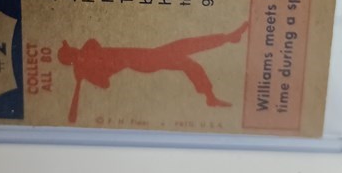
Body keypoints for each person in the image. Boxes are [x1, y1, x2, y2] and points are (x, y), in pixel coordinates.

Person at [58, 22, 249, 122]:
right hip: (143, 62)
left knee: (189, 64)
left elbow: (92, 43)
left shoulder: (87, 51)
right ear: (70, 56)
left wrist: (82, 67)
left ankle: (210, 96)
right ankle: (228, 38)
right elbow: (105, 83)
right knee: (185, 46)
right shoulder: (86, 70)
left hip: (143, 55)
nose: (73, 47)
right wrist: (86, 74)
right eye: (70, 50)